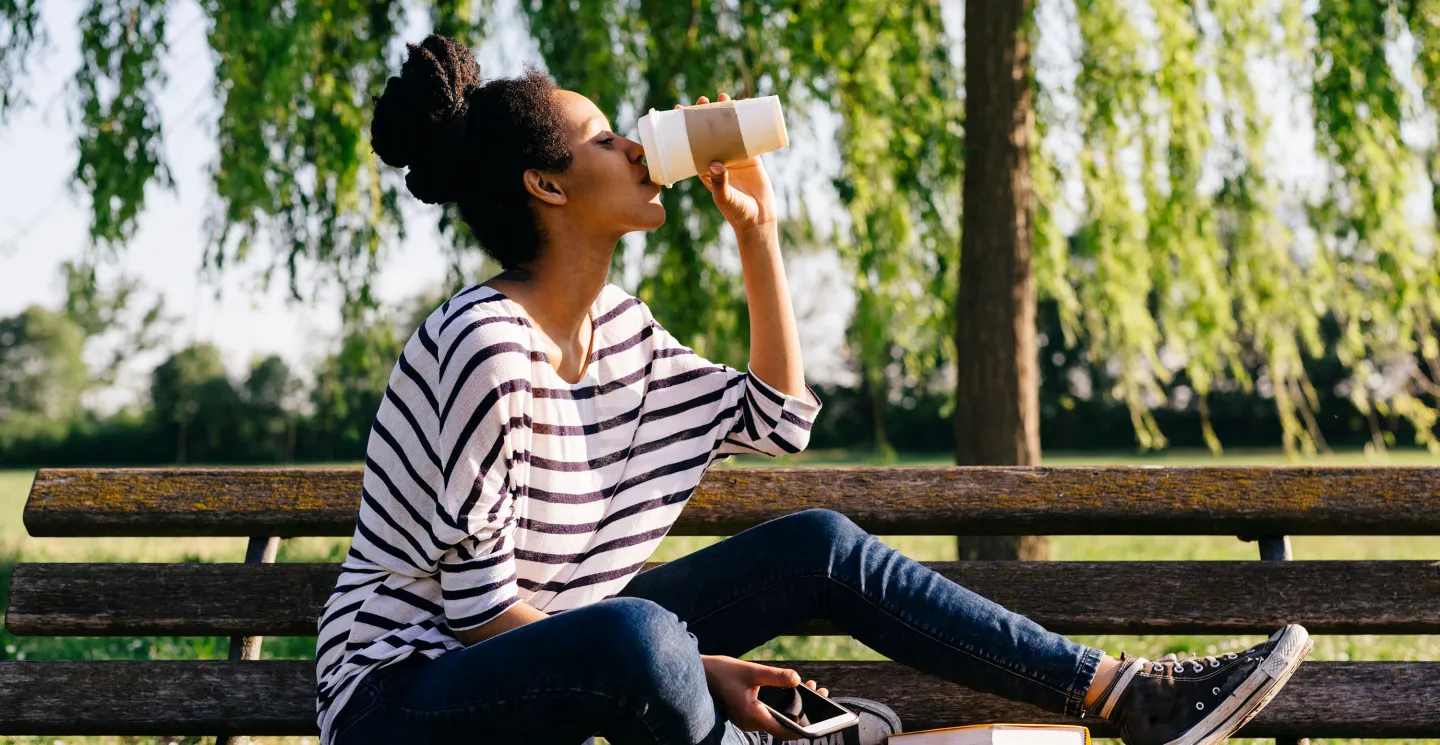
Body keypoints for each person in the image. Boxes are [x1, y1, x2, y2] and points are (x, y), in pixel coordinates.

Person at [315, 33, 1313, 745]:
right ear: (546, 185)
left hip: (572, 650)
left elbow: (774, 416)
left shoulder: (617, 332)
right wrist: (694, 664)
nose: (637, 146)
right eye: (606, 138)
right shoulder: (480, 347)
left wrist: (757, 231)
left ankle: (1127, 696)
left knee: (815, 544)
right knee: (638, 632)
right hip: (409, 699)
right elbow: (482, 608)